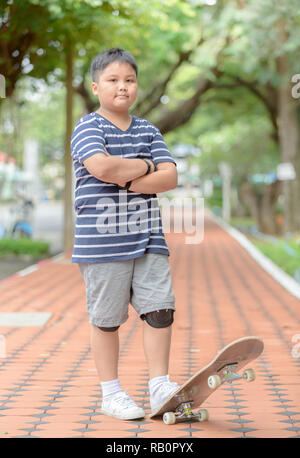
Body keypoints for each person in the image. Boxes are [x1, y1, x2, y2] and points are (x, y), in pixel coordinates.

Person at [70, 48, 179, 420]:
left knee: (161, 310)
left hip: (149, 237)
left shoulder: (148, 129)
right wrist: (146, 167)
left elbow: (170, 176)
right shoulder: (88, 127)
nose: (122, 87)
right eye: (113, 80)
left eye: (129, 80)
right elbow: (101, 166)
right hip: (102, 243)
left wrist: (127, 176)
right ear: (96, 85)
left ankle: (160, 385)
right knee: (107, 320)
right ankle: (111, 393)